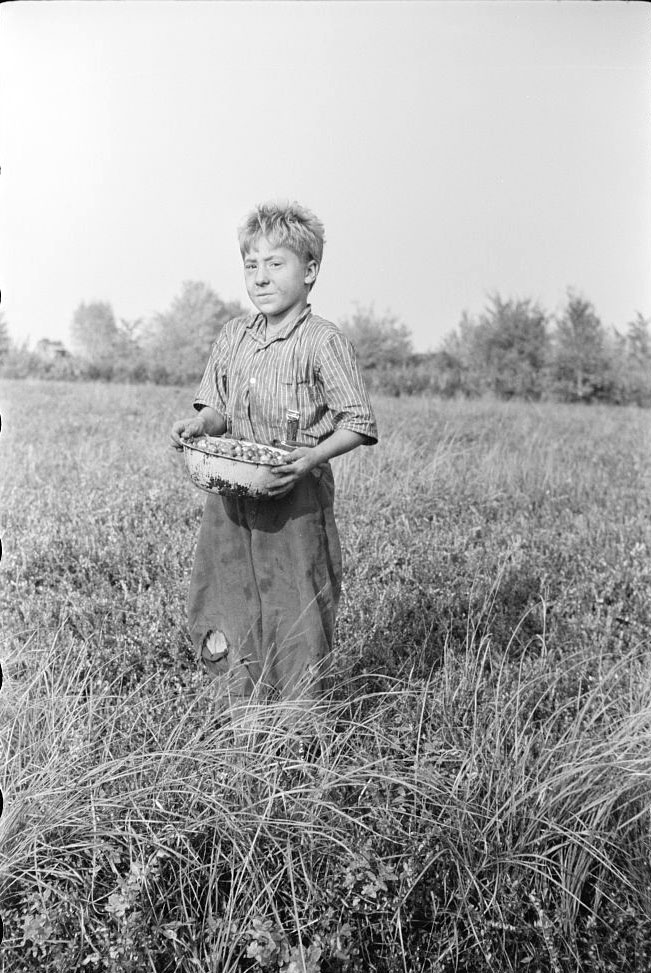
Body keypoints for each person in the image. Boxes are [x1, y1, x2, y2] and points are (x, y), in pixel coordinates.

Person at [171, 201, 377, 703]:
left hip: (294, 498)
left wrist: (307, 460)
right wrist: (199, 423)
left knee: (297, 606)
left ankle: (298, 732)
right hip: (230, 496)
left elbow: (359, 423)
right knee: (228, 597)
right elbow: (218, 410)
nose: (260, 278)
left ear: (309, 272)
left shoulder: (324, 342)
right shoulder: (233, 336)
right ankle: (241, 714)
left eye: (275, 264)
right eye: (250, 265)